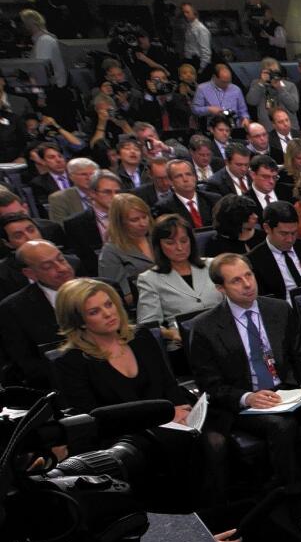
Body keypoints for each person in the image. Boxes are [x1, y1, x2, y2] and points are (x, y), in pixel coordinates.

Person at [189, 252, 301, 505]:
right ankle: (293, 496)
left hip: (289, 389)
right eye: (236, 281)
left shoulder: (278, 309)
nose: (247, 284)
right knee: (282, 427)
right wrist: (247, 397)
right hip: (248, 402)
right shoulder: (205, 328)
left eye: (249, 276)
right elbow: (210, 386)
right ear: (220, 288)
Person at [52, 278, 201, 510]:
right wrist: (160, 418)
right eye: (94, 311)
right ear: (79, 321)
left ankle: (210, 517)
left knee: (211, 439)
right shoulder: (71, 362)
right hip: (119, 438)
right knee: (175, 451)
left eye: (109, 304)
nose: (108, 313)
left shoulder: (141, 337)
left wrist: (182, 407)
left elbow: (168, 383)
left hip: (168, 425)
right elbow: (94, 418)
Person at [0, 240, 76, 389]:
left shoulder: (104, 289)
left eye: (61, 259)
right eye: (48, 266)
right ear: (30, 274)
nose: (61, 268)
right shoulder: (13, 309)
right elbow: (27, 364)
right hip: (58, 386)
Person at [135, 214, 223, 336]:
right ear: (158, 246)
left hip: (225, 333)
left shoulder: (213, 265)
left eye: (184, 241)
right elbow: (149, 326)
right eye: (170, 243)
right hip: (184, 342)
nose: (180, 247)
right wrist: (171, 334)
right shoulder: (149, 279)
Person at [249, 201, 301, 302]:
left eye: (293, 233)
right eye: (284, 234)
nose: (290, 239)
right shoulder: (254, 260)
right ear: (267, 228)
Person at [97, 193, 155, 306]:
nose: (143, 223)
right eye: (135, 220)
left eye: (144, 217)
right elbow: (121, 296)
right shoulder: (110, 252)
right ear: (120, 223)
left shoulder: (158, 237)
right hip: (142, 305)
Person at [63, 170, 122, 276]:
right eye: (107, 192)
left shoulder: (131, 215)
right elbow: (82, 261)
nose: (114, 197)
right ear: (92, 193)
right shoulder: (75, 224)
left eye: (117, 192)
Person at [153, 159, 217, 228]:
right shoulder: (163, 207)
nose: (185, 179)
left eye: (188, 174)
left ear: (195, 177)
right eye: (179, 176)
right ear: (170, 181)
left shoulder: (213, 200)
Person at [246, 59, 300, 129]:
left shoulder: (290, 86)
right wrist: (261, 83)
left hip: (290, 129)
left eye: (275, 72)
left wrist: (280, 88)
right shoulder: (257, 84)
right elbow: (251, 101)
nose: (273, 75)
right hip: (267, 130)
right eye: (270, 72)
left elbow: (294, 107)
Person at [19, 10, 66, 89]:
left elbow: (42, 73)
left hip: (52, 90)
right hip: (47, 87)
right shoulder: (41, 40)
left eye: (21, 24)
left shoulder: (44, 41)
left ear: (29, 24)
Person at [48, 158, 98, 224]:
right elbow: (60, 226)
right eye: (83, 174)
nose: (89, 178)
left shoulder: (107, 193)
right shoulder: (59, 199)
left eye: (92, 174)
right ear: (71, 176)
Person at [180, 3, 212, 71]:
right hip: (189, 60)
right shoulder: (189, 26)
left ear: (194, 12)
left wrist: (201, 68)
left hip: (197, 62)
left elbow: (206, 51)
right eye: (183, 12)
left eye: (187, 12)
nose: (185, 15)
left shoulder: (200, 29)